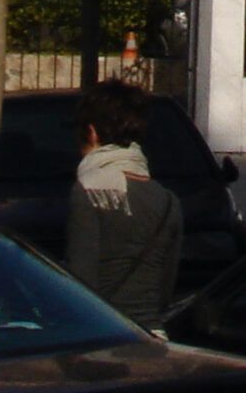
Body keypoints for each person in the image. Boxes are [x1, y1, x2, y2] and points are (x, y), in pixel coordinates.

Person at [65, 80, 182, 325]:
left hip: (104, 334)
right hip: (150, 335)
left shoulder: (88, 190)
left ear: (92, 132)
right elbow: (166, 288)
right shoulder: (168, 200)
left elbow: (81, 283)